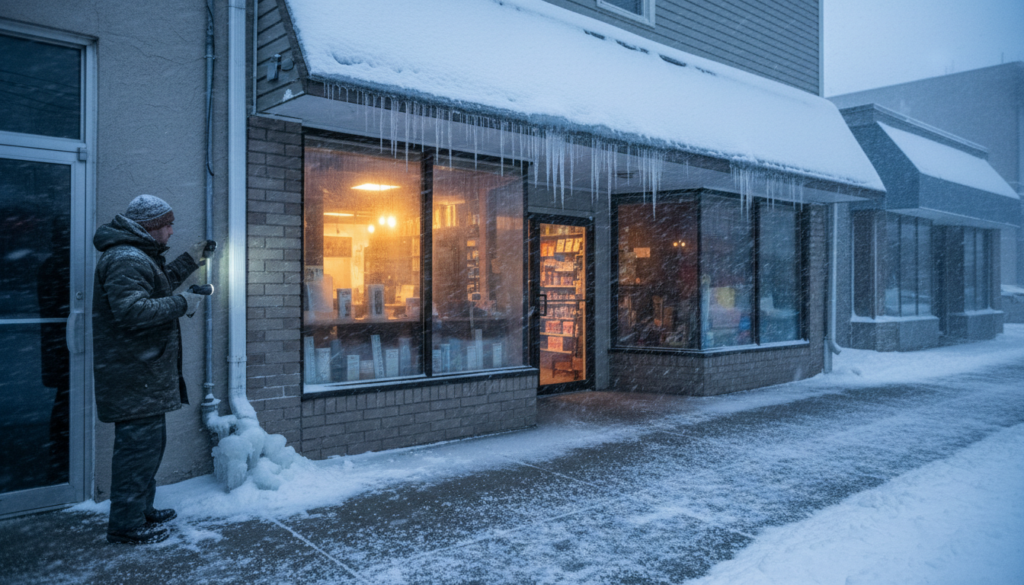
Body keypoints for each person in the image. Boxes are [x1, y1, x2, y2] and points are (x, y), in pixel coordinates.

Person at [92, 194, 211, 545]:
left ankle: (141, 509)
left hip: (144, 374)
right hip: (133, 374)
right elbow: (132, 311)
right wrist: (183, 302)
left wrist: (192, 258)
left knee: (148, 447)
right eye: (168, 225)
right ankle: (126, 525)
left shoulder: (138, 256)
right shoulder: (125, 258)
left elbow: (157, 283)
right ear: (150, 227)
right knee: (135, 452)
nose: (172, 231)